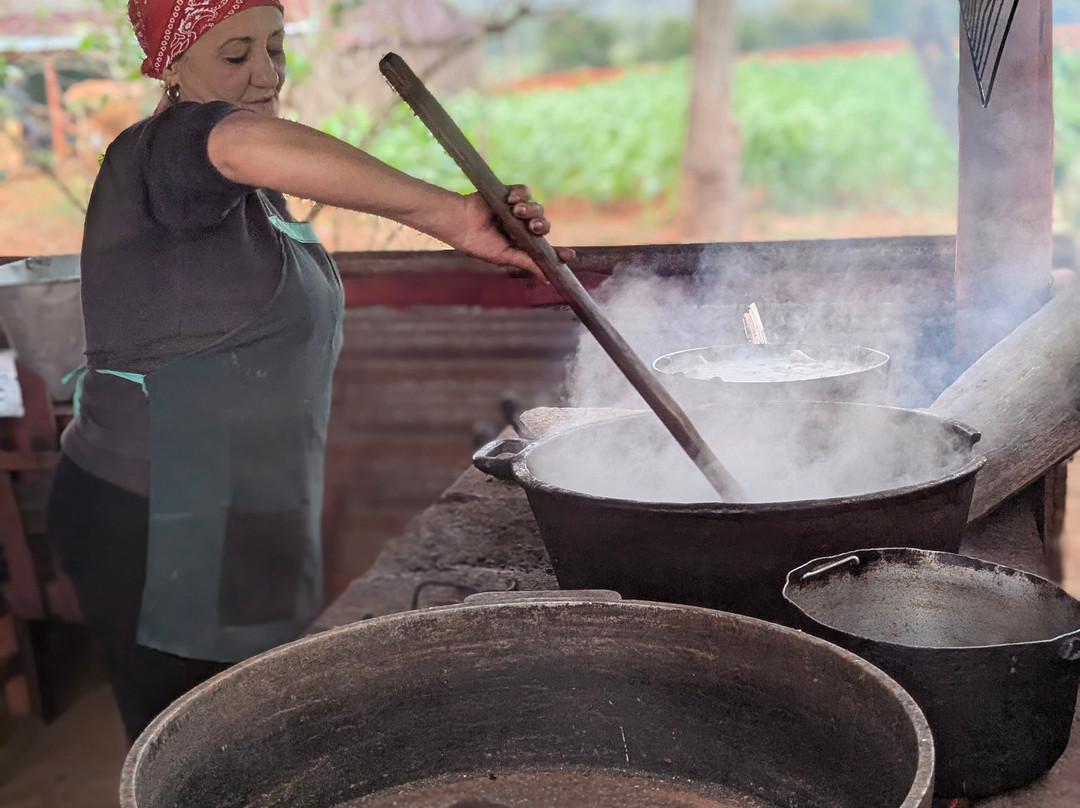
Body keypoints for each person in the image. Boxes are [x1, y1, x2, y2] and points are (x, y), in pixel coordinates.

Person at [46, 0, 572, 745]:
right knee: (202, 752)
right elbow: (235, 141)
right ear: (171, 65)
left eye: (276, 46)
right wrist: (453, 217)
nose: (264, 72)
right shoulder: (163, 152)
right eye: (234, 55)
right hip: (158, 517)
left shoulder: (251, 192)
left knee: (261, 736)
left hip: (241, 512)